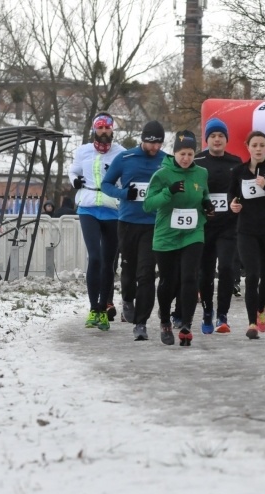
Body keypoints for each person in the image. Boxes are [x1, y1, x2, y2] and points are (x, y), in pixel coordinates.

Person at [143, 130, 213, 347]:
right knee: (168, 281)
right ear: (174, 154)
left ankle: (186, 325)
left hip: (193, 233)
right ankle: (165, 320)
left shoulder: (201, 173)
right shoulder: (162, 175)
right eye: (182, 153)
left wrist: (207, 206)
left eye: (190, 154)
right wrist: (168, 192)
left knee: (190, 277)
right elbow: (148, 205)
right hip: (166, 236)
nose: (186, 158)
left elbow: (204, 195)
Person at [101, 121, 166, 340]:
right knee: (128, 268)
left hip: (153, 224)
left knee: (146, 274)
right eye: (151, 142)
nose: (155, 148)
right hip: (128, 222)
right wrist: (123, 193)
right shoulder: (125, 158)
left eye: (158, 143)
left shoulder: (166, 160)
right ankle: (127, 298)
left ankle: (141, 323)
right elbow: (106, 184)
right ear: (143, 139)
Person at [68, 111, 125, 331]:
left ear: (112, 130)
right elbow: (73, 169)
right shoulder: (83, 151)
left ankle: (103, 307)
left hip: (112, 209)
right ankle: (93, 308)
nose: (103, 132)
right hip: (89, 207)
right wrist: (75, 180)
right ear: (94, 129)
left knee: (109, 261)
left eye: (107, 128)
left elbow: (127, 175)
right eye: (99, 128)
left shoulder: (121, 153)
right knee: (95, 257)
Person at [194, 118, 243, 334]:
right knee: (205, 272)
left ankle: (223, 315)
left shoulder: (235, 161)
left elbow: (241, 192)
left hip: (227, 226)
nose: (217, 139)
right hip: (204, 225)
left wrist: (237, 203)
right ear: (207, 139)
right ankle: (207, 311)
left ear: (226, 140)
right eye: (213, 136)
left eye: (221, 136)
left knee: (226, 268)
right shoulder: (197, 160)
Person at [230, 131, 265, 339]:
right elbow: (231, 195)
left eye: (262, 145)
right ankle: (251, 322)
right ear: (247, 147)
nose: (258, 149)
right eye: (255, 145)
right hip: (246, 229)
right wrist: (233, 204)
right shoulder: (238, 171)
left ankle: (260, 309)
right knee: (252, 274)